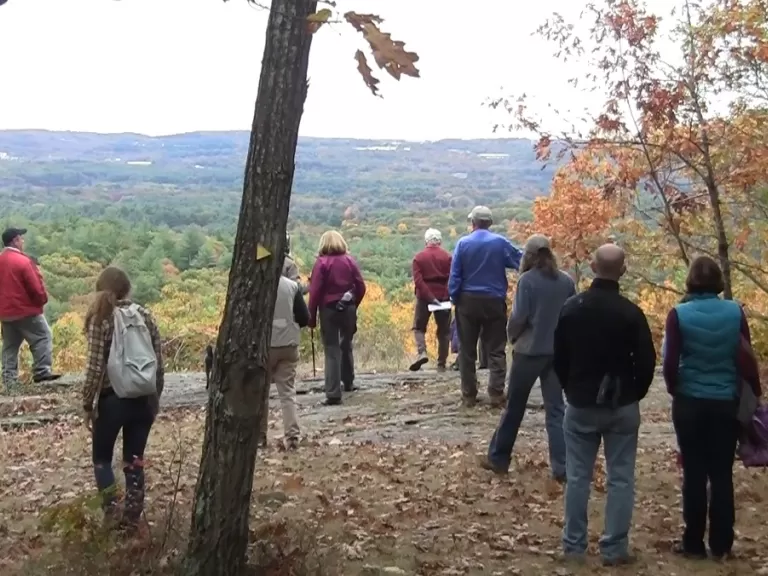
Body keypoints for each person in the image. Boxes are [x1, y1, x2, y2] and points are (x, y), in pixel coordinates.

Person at [554, 244, 656, 566]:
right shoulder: (631, 313)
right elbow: (647, 361)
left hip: (581, 403)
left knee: (578, 477)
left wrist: (571, 389)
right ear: (622, 271)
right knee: (621, 478)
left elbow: (559, 358)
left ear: (593, 266)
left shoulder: (572, 308)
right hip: (621, 405)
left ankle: (573, 547)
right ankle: (614, 548)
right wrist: (633, 393)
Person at [663, 256, 761, 560]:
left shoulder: (678, 314)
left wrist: (676, 388)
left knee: (693, 472)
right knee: (721, 473)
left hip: (690, 401)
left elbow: (669, 364)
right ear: (718, 281)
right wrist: (752, 394)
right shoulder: (735, 312)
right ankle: (722, 543)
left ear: (690, 280)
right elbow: (746, 355)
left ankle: (693, 542)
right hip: (725, 402)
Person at [482, 235, 575, 481]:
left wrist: (511, 336)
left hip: (529, 352)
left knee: (514, 406)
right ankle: (562, 467)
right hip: (556, 352)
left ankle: (499, 458)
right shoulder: (566, 281)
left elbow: (519, 317)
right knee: (556, 409)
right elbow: (571, 315)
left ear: (530, 256)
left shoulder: (527, 281)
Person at [82, 267, 164, 532]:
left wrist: (87, 403)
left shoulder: (101, 318)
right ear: (127, 288)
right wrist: (155, 398)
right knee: (134, 459)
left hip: (112, 401)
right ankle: (132, 518)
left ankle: (110, 512)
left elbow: (95, 367)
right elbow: (158, 361)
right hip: (142, 398)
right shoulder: (145, 314)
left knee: (102, 459)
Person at [448, 206, 522, 407]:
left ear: (472, 222)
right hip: (494, 301)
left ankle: (469, 394)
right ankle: (496, 393)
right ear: (490, 223)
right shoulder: (500, 243)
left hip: (468, 301)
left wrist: (455, 298)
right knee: (496, 348)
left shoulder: (463, 244)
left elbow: (455, 276)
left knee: (467, 350)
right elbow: (521, 260)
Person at [308, 230, 367, 406]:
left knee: (332, 349)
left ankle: (333, 393)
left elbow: (315, 292)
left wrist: (311, 317)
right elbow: (361, 286)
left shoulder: (322, 263)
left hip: (329, 310)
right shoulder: (349, 261)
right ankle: (348, 382)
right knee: (346, 343)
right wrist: (353, 304)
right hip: (347, 308)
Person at [0, 227, 60, 392]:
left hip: (6, 313)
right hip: (26, 310)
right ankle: (41, 372)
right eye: (21, 238)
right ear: (15, 241)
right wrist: (42, 301)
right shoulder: (23, 261)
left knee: (10, 346)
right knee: (42, 336)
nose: (23, 241)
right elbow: (36, 288)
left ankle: (9, 381)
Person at [259, 273, 309, 451]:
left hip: (264, 345)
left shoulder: (258, 283)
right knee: (287, 392)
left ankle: (260, 437)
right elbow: (304, 318)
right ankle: (293, 437)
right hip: (288, 344)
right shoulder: (292, 286)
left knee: (261, 393)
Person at [410, 228, 452, 372]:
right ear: (439, 241)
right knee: (444, 331)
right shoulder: (447, 257)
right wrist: (444, 295)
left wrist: (430, 297)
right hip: (443, 299)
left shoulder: (419, 258)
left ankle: (422, 352)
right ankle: (441, 364)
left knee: (419, 327)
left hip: (424, 298)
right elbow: (452, 278)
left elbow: (418, 281)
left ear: (426, 241)